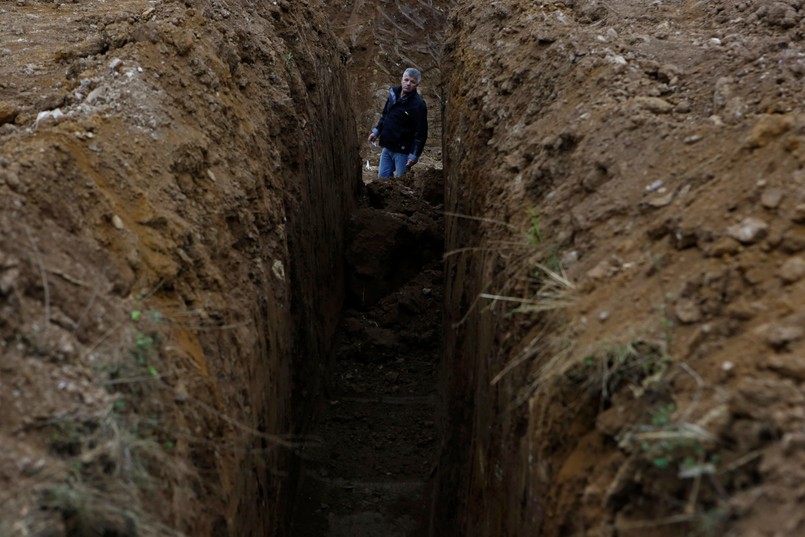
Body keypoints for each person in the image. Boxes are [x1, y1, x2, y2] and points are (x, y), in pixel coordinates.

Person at [368, 67, 428, 179]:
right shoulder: (393, 93)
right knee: (382, 180)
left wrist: (414, 155)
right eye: (406, 80)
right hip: (387, 146)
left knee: (402, 183)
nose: (408, 84)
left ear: (417, 85)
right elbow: (386, 115)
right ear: (402, 79)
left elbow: (421, 133)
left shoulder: (418, 105)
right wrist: (376, 131)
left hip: (403, 151)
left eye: (412, 82)